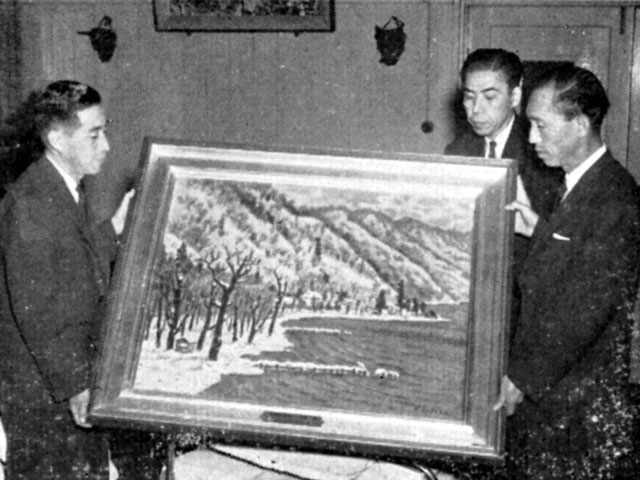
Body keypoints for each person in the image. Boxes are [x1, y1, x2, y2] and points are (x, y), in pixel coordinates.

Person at [0, 80, 161, 479]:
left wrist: (117, 225)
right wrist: (76, 386)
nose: (106, 145)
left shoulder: (62, 188)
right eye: (94, 134)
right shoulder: (32, 203)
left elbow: (72, 263)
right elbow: (40, 311)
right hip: (45, 393)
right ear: (57, 138)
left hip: (58, 379)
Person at [499, 64, 640, 479]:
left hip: (578, 410)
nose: (531, 138)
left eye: (541, 125)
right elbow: (577, 263)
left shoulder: (615, 198)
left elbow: (583, 311)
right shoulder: (582, 183)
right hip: (563, 396)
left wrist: (521, 378)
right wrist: (541, 232)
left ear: (580, 124)